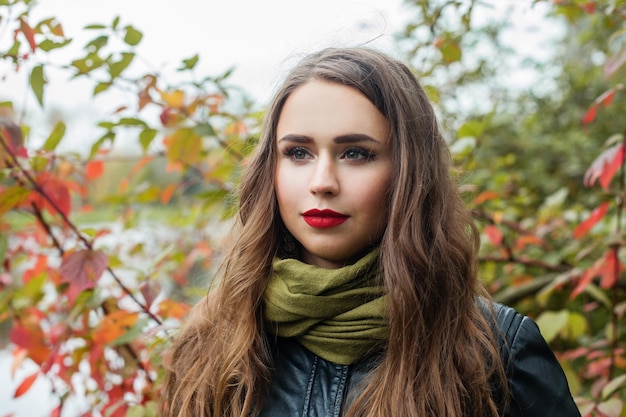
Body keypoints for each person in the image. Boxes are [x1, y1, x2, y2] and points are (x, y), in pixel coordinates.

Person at [160, 47, 581, 417]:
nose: (322, 181)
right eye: (299, 153)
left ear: (408, 173)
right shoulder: (210, 345)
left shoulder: (496, 354)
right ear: (270, 168)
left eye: (356, 153)